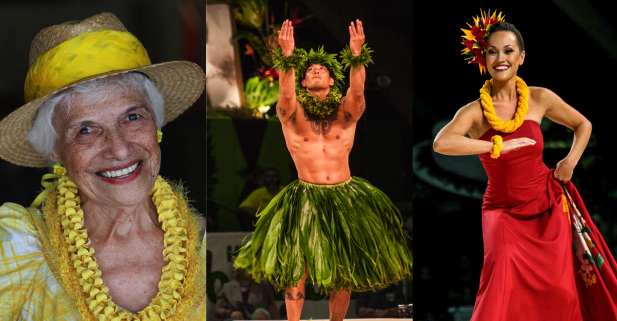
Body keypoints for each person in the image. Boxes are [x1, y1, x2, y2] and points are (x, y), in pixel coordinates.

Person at [0, 13, 207, 320]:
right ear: (54, 150)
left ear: (156, 125)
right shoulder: (15, 251)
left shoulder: (210, 247)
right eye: (85, 130)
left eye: (133, 117)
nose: (120, 148)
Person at [433, 10, 617, 320]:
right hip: (502, 210)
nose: (500, 57)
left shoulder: (539, 97)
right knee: (500, 283)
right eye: (492, 51)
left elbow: (582, 124)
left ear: (521, 57)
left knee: (560, 289)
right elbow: (442, 143)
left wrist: (569, 163)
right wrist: (495, 145)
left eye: (508, 50)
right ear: (483, 59)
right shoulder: (475, 111)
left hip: (548, 204)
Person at [233, 19, 413, 321]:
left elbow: (358, 93)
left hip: (345, 194)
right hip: (304, 196)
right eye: (310, 71)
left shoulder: (346, 112)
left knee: (342, 267)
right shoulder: (291, 114)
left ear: (332, 81)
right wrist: (287, 58)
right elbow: (286, 95)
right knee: (296, 265)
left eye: (323, 70)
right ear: (304, 82)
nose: (316, 70)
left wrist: (357, 55)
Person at [214, 267, 280, 320]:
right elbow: (217, 310)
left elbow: (272, 306)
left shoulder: (263, 285)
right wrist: (231, 313)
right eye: (243, 265)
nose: (246, 268)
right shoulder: (228, 288)